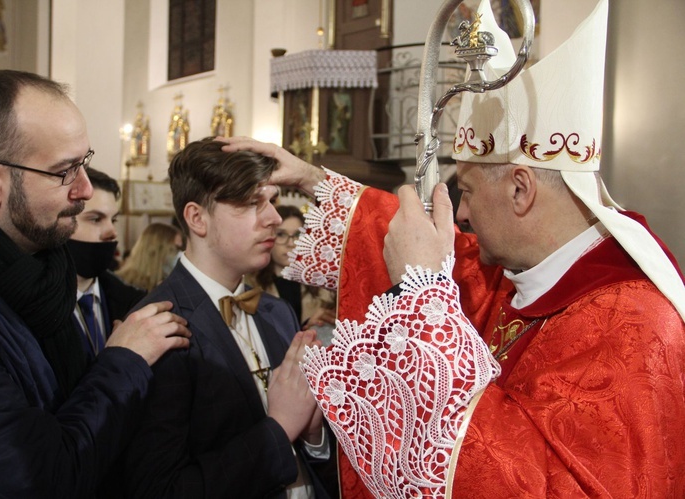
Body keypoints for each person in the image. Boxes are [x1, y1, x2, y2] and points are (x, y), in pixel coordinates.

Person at [219, 1, 685, 496]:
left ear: (521, 190)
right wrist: (312, 177)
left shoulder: (632, 324)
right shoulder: (523, 276)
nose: (460, 214)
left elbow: (518, 480)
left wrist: (424, 300)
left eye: (467, 190)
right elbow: (438, 250)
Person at [0, 69, 190, 497]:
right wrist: (123, 361)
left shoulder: (42, 268)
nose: (86, 189)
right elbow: (41, 478)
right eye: (64, 171)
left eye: (84, 162)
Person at [103, 138, 332, 499]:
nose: (273, 217)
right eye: (251, 203)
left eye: (271, 200)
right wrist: (281, 426)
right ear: (197, 218)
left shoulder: (276, 312)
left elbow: (312, 460)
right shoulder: (157, 327)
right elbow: (162, 489)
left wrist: (313, 433)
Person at [67, 167, 146, 360]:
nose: (112, 232)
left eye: (114, 219)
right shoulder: (34, 307)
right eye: (95, 219)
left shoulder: (133, 302)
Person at [248, 204, 336, 336]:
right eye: (281, 234)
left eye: (297, 234)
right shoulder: (250, 287)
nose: (290, 243)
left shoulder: (324, 286)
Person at [116, 222, 183, 291]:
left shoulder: (169, 284)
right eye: (176, 249)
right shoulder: (119, 284)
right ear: (157, 251)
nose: (180, 254)